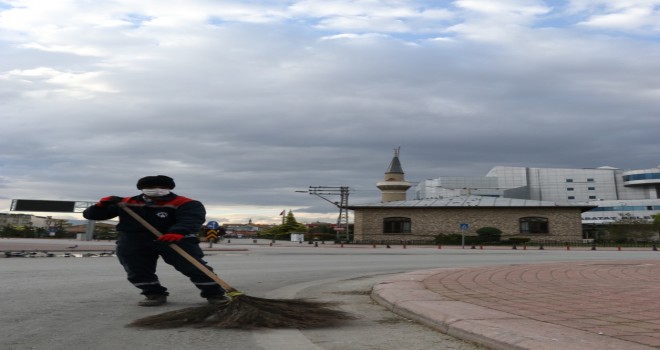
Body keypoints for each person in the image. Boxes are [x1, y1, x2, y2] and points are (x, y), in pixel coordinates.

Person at [83, 175, 230, 307]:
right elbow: (92, 215)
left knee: (194, 267)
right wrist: (100, 206)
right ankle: (153, 294)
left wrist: (178, 232)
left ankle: (215, 294)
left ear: (169, 188)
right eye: (151, 188)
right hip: (134, 240)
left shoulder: (185, 203)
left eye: (162, 187)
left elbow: (191, 219)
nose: (157, 190)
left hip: (175, 240)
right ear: (142, 189)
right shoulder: (126, 203)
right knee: (137, 269)